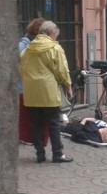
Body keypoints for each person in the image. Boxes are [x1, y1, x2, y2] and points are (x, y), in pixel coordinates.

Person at [20, 20, 74, 163]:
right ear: (51, 33)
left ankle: (40, 154)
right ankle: (57, 153)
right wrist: (68, 86)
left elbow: (22, 68)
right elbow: (62, 70)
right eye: (56, 35)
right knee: (54, 123)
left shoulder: (28, 49)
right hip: (48, 90)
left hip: (31, 91)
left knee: (36, 123)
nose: (56, 38)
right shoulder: (54, 48)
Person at [18, 18, 45, 144]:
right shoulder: (24, 45)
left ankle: (31, 138)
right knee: (27, 115)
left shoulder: (31, 43)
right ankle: (27, 138)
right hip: (24, 85)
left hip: (30, 85)